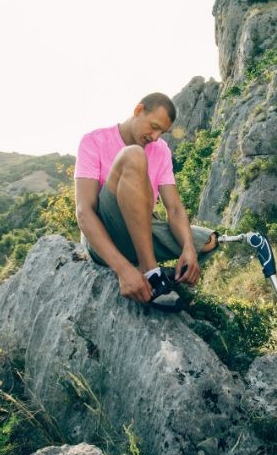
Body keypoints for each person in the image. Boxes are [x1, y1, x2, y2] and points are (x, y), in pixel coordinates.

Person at [74, 92, 217, 303]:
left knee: (207, 241)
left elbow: (175, 208)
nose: (155, 137)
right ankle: (151, 272)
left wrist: (188, 248)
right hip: (106, 231)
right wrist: (123, 270)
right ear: (138, 110)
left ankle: (148, 266)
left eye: (162, 132)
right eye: (154, 126)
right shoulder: (93, 141)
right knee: (133, 155)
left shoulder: (161, 151)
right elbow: (84, 212)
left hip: (140, 231)